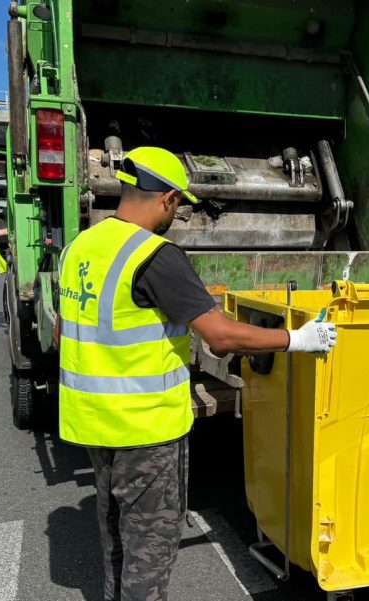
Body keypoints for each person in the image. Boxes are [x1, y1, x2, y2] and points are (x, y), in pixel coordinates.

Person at [55, 147, 337, 601]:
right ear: (166, 198)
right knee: (150, 550)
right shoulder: (156, 255)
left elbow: (61, 334)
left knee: (115, 540)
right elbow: (220, 336)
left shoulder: (78, 248)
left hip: (92, 424)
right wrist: (297, 339)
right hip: (145, 431)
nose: (178, 213)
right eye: (180, 205)